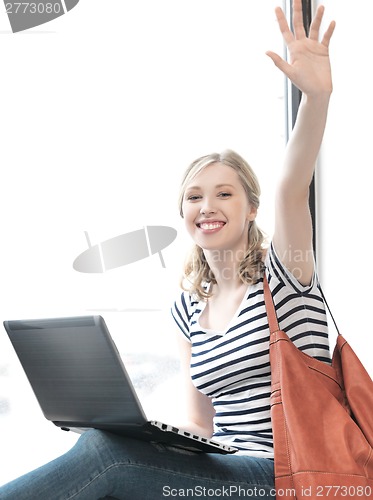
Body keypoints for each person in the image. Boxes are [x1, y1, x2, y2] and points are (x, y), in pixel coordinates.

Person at [0, 1, 335, 498]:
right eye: (194, 196)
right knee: (107, 445)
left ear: (251, 210)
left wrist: (316, 98)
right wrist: (152, 441)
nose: (207, 206)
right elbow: (201, 425)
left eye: (224, 194)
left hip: (291, 475)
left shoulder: (286, 275)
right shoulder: (187, 308)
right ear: (182, 212)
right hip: (223, 478)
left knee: (104, 458)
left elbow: (291, 185)